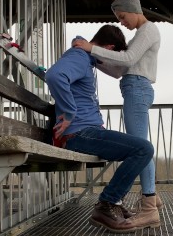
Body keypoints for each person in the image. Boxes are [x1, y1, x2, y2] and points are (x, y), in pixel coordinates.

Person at [45, 24, 159, 233]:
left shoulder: (85, 58)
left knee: (140, 148)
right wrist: (70, 112)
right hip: (78, 133)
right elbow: (54, 75)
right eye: (112, 54)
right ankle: (107, 203)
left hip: (87, 130)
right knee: (143, 148)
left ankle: (112, 202)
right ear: (108, 46)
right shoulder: (79, 56)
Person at [72, 0, 162, 228]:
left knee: (141, 146)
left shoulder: (148, 30)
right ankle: (152, 199)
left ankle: (149, 206)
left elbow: (128, 58)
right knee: (141, 146)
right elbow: (119, 70)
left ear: (134, 11)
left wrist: (91, 47)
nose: (122, 22)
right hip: (133, 87)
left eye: (122, 17)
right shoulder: (140, 35)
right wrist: (93, 57)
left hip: (138, 88)